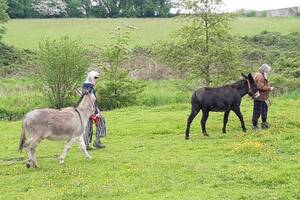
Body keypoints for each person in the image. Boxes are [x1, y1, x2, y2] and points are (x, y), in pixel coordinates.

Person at [82, 70, 107, 149]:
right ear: (91, 77)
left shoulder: (89, 84)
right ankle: (96, 142)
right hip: (90, 108)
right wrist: (96, 113)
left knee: (88, 125)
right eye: (95, 77)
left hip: (88, 108)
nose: (96, 79)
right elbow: (86, 91)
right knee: (100, 122)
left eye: (97, 77)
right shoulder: (88, 85)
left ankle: (87, 144)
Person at [252, 64, 274, 131]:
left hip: (263, 97)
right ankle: (254, 126)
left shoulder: (258, 74)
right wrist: (269, 88)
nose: (268, 72)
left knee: (264, 110)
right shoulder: (260, 76)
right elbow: (260, 87)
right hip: (259, 97)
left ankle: (264, 123)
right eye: (268, 70)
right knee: (257, 112)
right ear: (265, 70)